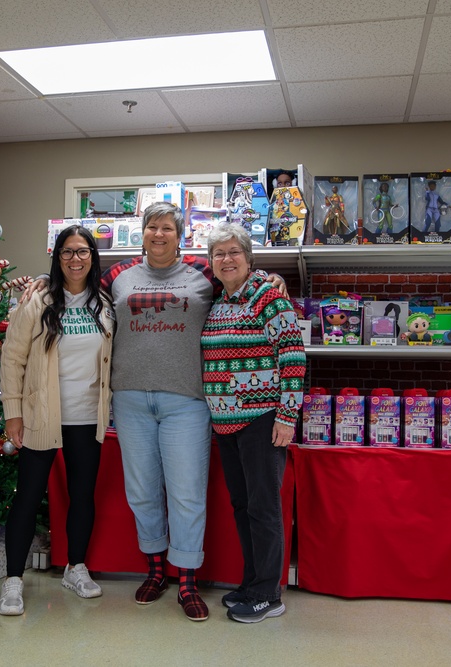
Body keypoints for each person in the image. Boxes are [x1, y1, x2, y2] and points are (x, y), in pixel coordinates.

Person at [24, 202, 285, 622]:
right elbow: (77, 283)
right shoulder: (118, 276)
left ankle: (187, 579)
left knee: (185, 493)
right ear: (141, 233)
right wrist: (40, 279)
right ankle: (156, 570)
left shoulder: (203, 273)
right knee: (142, 492)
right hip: (129, 401)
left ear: (180, 236)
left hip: (186, 401)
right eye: (151, 227)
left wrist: (271, 277)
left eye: (167, 228)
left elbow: (239, 283)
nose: (158, 234)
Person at [0, 225, 114, 616]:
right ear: (57, 256)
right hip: (40, 415)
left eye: (82, 252)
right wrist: (13, 412)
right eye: (67, 252)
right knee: (28, 497)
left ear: (93, 257)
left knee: (82, 496)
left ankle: (75, 567)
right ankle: (13, 580)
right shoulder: (38, 300)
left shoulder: (104, 303)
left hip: (86, 416)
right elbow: (12, 358)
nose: (75, 259)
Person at [200, 224, 305, 623]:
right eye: (219, 254)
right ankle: (252, 581)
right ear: (211, 263)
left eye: (234, 252)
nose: (226, 259)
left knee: (263, 507)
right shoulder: (220, 301)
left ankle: (268, 593)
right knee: (243, 506)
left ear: (248, 257)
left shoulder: (268, 297)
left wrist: (287, 417)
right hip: (226, 421)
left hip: (262, 420)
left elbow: (293, 358)